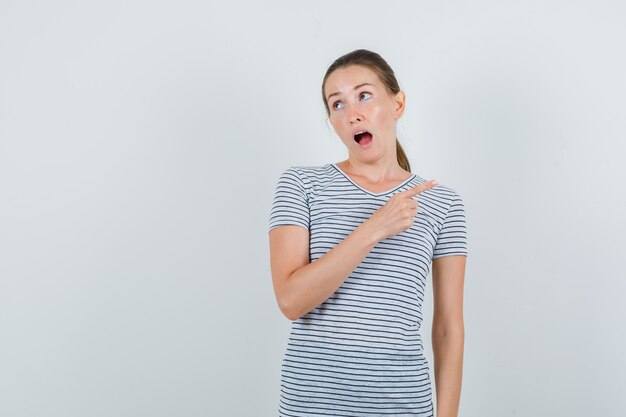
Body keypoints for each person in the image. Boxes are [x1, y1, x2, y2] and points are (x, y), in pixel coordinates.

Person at [268, 49, 468, 417]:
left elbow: (448, 328)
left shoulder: (443, 204)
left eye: (364, 95)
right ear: (332, 120)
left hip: (403, 405)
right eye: (337, 104)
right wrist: (375, 227)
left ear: (397, 103)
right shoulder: (301, 184)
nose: (353, 113)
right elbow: (291, 300)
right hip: (311, 406)